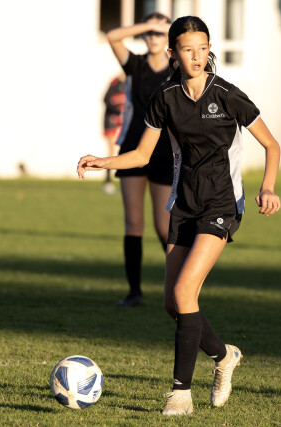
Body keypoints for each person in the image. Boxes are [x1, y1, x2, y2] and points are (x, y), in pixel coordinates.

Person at [78, 16, 281, 415]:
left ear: (210, 50)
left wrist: (268, 187)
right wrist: (102, 161)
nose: (197, 56)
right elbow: (141, 155)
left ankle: (180, 394)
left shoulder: (227, 95)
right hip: (183, 205)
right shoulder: (165, 97)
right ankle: (224, 355)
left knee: (185, 292)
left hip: (222, 204)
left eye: (203, 48)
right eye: (188, 49)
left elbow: (272, 145)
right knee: (172, 304)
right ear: (173, 53)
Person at [105, 12, 174, 307]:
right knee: (133, 223)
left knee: (164, 227)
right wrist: (149, 24)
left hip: (164, 152)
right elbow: (112, 37)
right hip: (133, 148)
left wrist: (169, 29)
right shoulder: (135, 64)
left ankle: (180, 288)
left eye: (160, 33)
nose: (153, 37)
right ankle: (134, 293)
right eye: (150, 33)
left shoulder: (176, 67)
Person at [101, 74, 126, 195]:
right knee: (111, 151)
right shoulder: (115, 83)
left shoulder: (131, 83)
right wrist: (117, 110)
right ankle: (108, 181)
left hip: (123, 123)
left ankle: (125, 181)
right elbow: (106, 99)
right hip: (112, 122)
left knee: (124, 152)